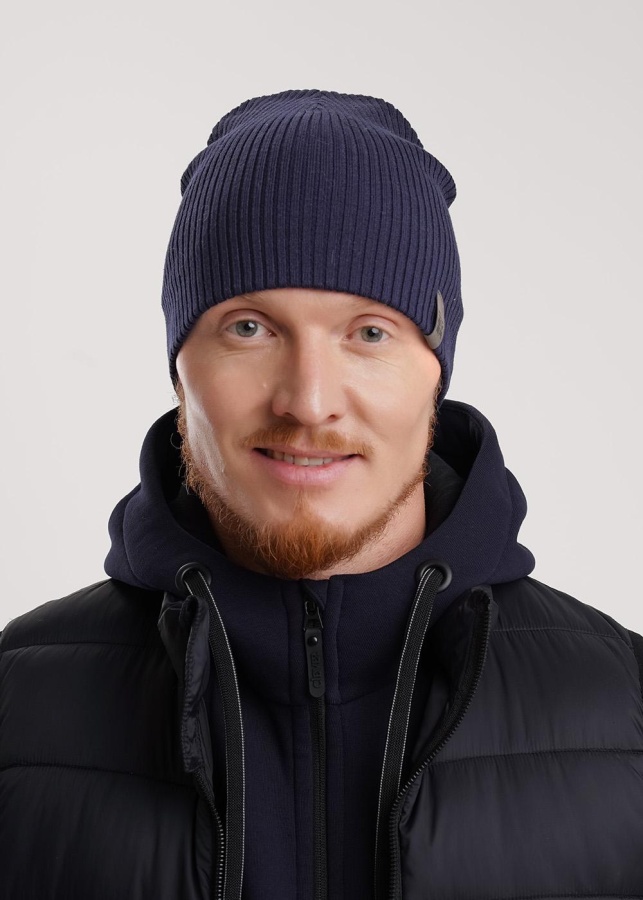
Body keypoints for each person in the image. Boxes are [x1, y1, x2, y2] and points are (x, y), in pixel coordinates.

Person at [1, 89, 642, 900]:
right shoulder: (16, 710)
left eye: (369, 332)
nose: (307, 402)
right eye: (249, 328)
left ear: (435, 372)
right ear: (179, 368)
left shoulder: (627, 709)